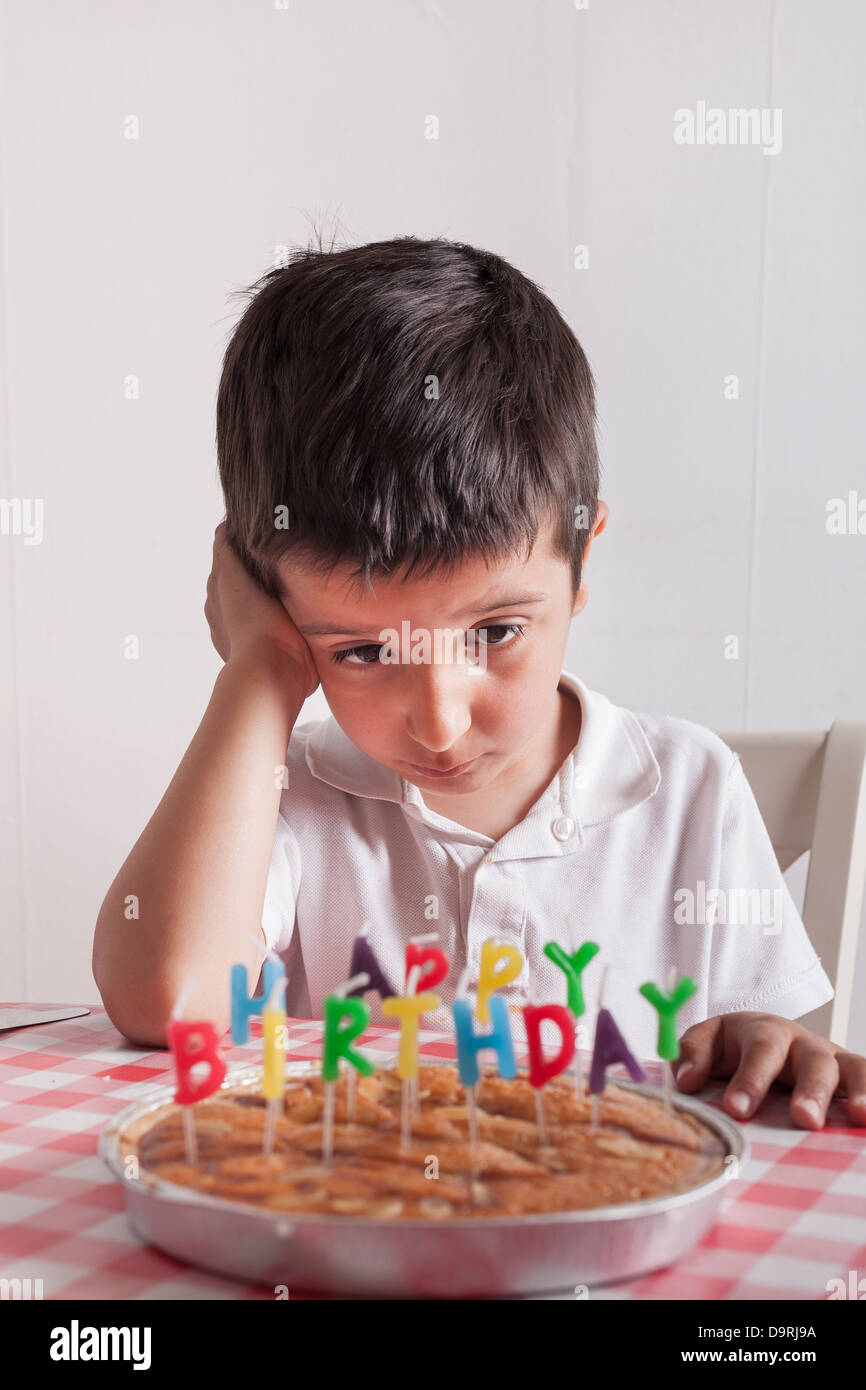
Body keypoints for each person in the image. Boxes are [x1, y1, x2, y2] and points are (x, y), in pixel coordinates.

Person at [92, 235, 866, 1130]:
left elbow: (762, 1073)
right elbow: (171, 1001)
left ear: (579, 566)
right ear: (274, 609)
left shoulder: (689, 790)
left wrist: (775, 1044)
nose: (440, 723)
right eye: (363, 651)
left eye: (495, 632)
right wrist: (257, 672)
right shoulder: (290, 801)